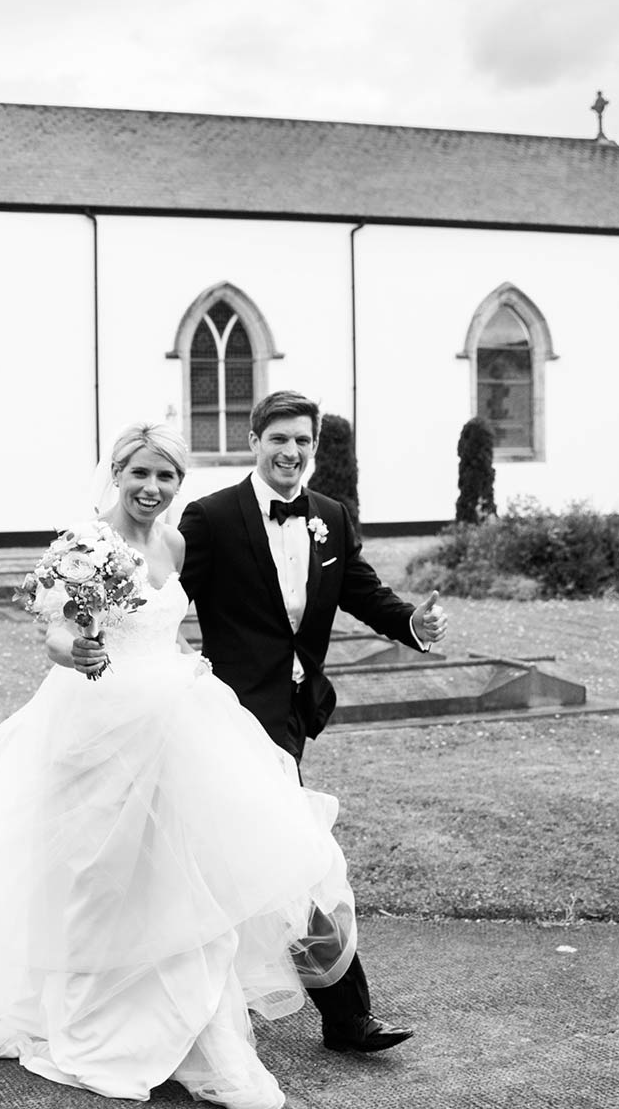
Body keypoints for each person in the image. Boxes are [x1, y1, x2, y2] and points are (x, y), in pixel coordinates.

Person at [0, 424, 359, 1109]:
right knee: (100, 875)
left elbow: (171, 625)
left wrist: (192, 665)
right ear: (117, 471)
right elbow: (57, 631)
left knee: (187, 872)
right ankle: (101, 1015)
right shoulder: (84, 542)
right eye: (141, 474)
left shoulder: (176, 542)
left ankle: (205, 1041)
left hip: (175, 721)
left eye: (166, 477)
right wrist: (77, 652)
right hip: (99, 727)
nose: (153, 488)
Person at [172, 390, 446, 1056]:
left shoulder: (330, 517)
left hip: (291, 716)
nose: (291, 452)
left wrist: (411, 621)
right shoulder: (210, 518)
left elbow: (363, 591)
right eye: (279, 439)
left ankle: (217, 1006)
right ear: (254, 439)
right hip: (230, 717)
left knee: (253, 863)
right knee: (297, 861)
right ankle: (345, 1018)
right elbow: (166, 599)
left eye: (303, 441)